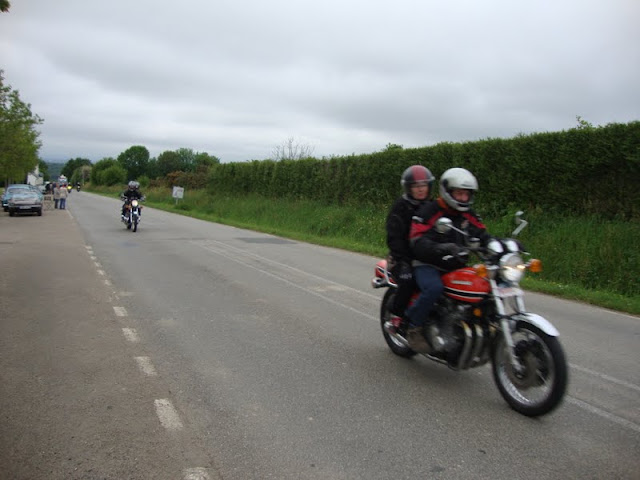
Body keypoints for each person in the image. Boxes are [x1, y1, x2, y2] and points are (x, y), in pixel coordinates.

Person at [405, 167, 491, 353]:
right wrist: (440, 248)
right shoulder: (429, 211)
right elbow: (416, 239)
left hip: (455, 265)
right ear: (447, 192)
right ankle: (414, 327)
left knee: (486, 288)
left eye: (466, 194)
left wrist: (504, 245)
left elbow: (482, 234)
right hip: (427, 264)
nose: (462, 198)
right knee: (434, 288)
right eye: (458, 193)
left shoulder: (468, 214)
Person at [385, 165, 435, 331]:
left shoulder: (434, 207)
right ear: (408, 188)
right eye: (416, 186)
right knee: (408, 280)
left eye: (423, 185)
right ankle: (398, 317)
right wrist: (405, 259)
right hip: (401, 258)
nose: (420, 190)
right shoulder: (401, 207)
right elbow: (394, 237)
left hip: (427, 256)